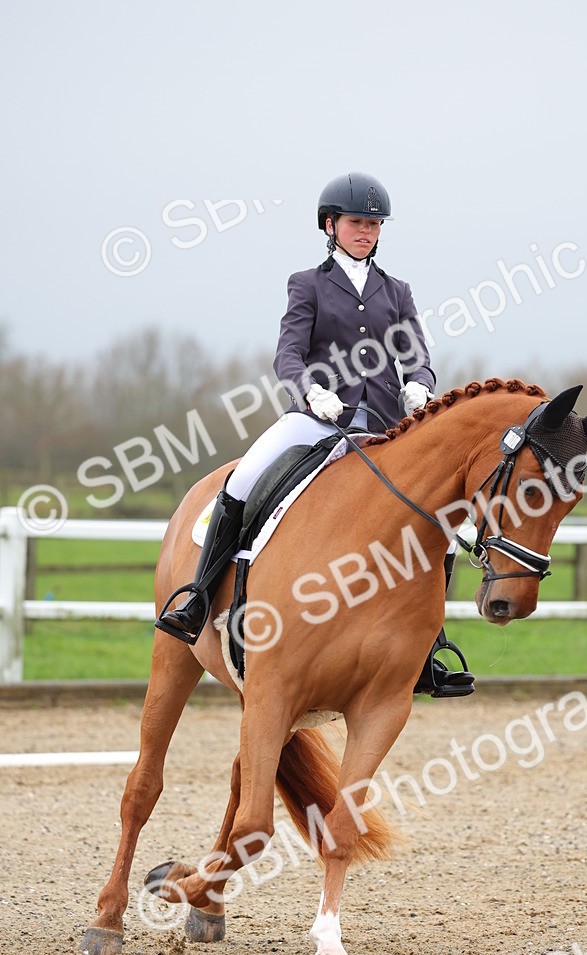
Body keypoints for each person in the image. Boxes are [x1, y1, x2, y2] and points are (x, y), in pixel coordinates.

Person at [156, 172, 474, 698]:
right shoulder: (307, 284)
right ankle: (197, 596)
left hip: (386, 426)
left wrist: (420, 384)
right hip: (316, 417)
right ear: (330, 225)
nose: (365, 231)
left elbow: (416, 355)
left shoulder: (396, 291)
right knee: (243, 481)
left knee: (441, 517)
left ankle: (428, 647)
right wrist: (311, 392)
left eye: (374, 224)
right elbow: (288, 354)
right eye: (356, 223)